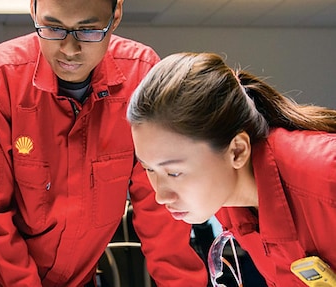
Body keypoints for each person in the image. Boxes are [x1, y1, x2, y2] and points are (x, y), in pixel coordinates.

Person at [0, 0, 208, 286]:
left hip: (75, 277)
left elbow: (160, 211)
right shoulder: (1, 76)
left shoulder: (141, 77)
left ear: (116, 14)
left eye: (88, 31)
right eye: (53, 28)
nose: (70, 50)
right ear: (33, 10)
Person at [127, 52, 336, 286]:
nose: (160, 195)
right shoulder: (227, 199)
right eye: (149, 169)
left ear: (237, 151)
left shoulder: (326, 175)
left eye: (174, 173)